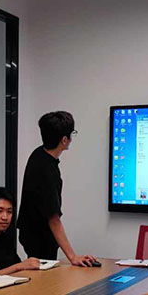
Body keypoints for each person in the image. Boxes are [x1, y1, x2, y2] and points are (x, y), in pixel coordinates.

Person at [18, 111, 97, 266]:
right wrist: (73, 257)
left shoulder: (38, 154)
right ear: (64, 140)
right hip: (40, 237)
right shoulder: (46, 170)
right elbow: (53, 219)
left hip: (31, 232)